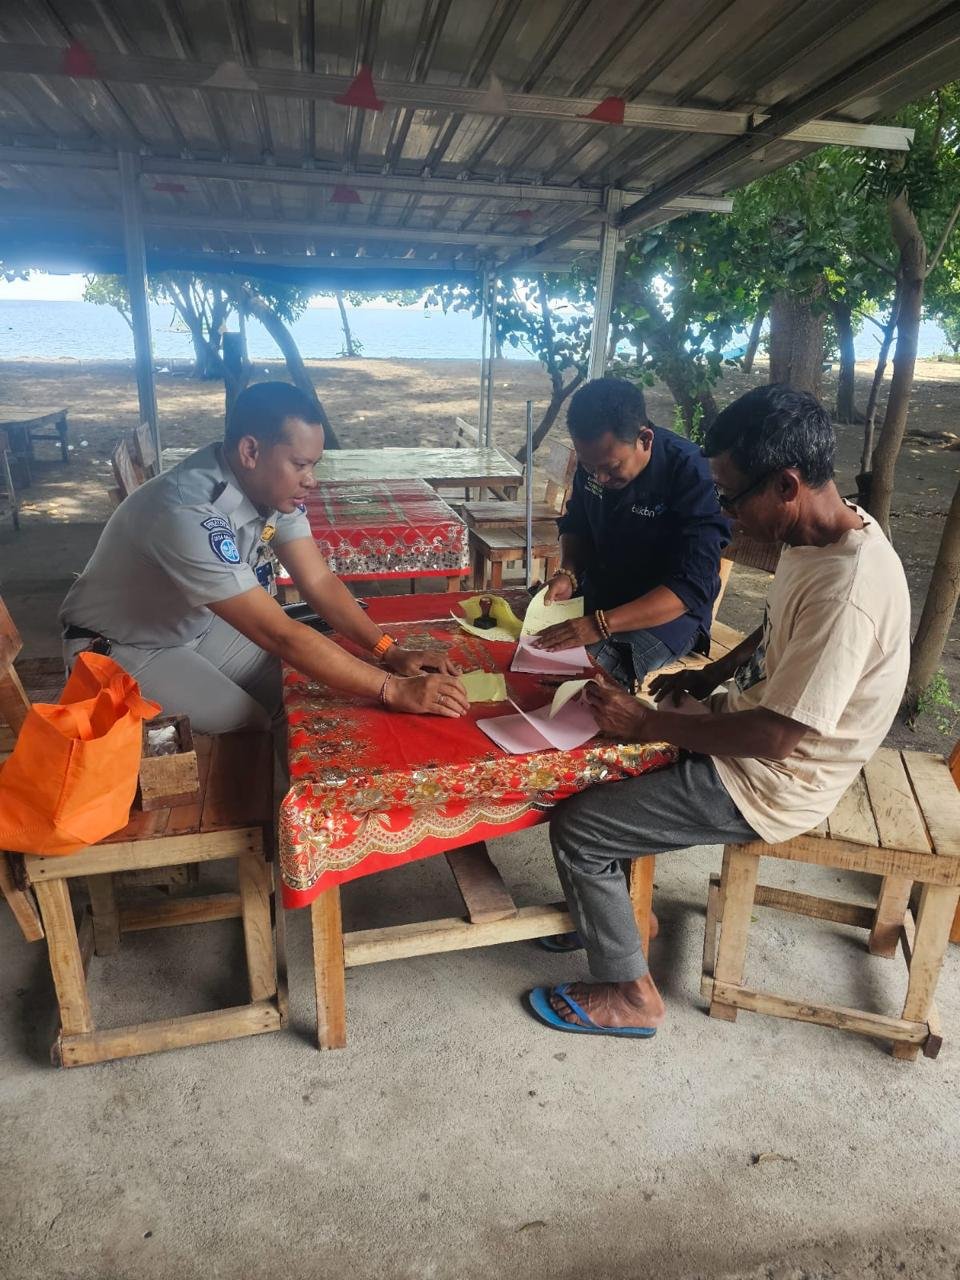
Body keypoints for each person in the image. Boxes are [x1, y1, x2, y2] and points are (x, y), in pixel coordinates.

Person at [526, 384, 911, 1039]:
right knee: (598, 761)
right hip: (747, 729)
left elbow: (778, 736)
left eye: (733, 497)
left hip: (775, 779)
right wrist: (712, 675)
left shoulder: (850, 593)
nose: (728, 514)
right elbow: (777, 632)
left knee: (581, 828)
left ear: (787, 485)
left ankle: (632, 995)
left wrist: (649, 723)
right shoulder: (824, 536)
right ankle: (625, 919)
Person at [60, 382, 469, 736]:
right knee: (252, 722)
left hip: (193, 627)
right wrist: (393, 689)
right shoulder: (187, 512)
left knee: (302, 687)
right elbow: (281, 634)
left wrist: (389, 653)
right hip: (120, 648)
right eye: (300, 464)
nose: (311, 479)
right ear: (251, 450)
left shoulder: (271, 491)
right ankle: (276, 818)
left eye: (314, 465)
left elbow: (319, 581)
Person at [536, 377, 730, 690]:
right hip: (601, 595)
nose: (599, 476)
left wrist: (601, 624)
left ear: (645, 439)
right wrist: (568, 573)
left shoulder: (692, 473)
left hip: (667, 615)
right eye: (589, 467)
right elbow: (577, 524)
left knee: (586, 676)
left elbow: (692, 586)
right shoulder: (596, 464)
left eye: (611, 468)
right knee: (528, 643)